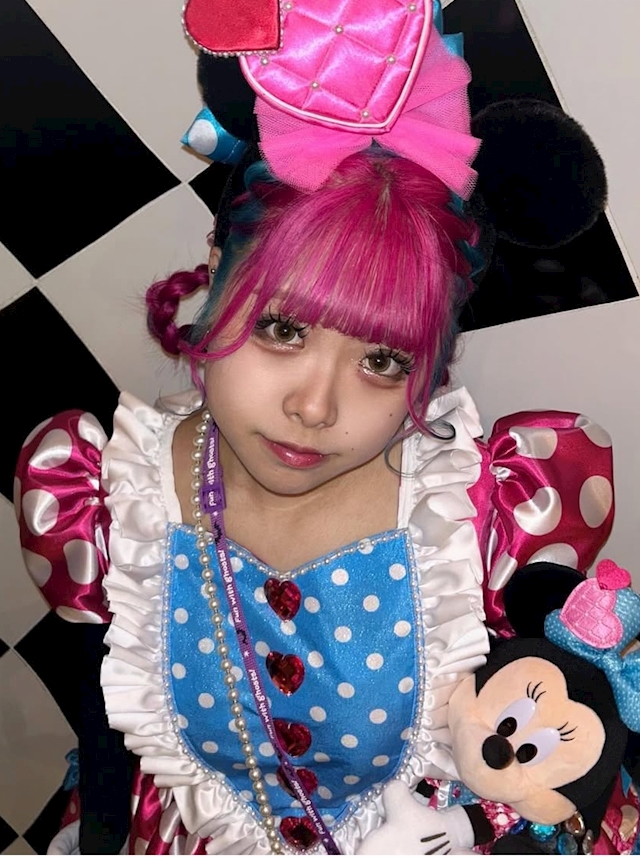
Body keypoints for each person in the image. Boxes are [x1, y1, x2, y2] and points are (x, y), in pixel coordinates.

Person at [13, 3, 635, 855]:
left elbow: (550, 745)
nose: (315, 406)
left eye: (382, 359)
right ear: (216, 273)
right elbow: (104, 722)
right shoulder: (103, 494)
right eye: (281, 328)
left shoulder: (485, 510)